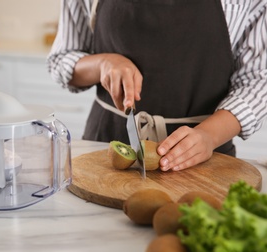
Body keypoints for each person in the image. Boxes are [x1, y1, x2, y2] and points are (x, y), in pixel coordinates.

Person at [46, 0, 267, 172]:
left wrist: (209, 136)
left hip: (207, 158)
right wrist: (102, 64)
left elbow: (258, 80)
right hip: (105, 147)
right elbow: (61, 59)